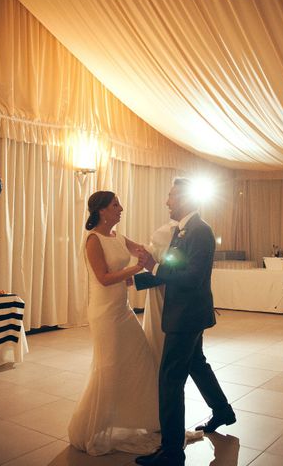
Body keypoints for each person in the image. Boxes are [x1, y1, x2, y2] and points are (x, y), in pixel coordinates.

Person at [135, 178, 235, 466]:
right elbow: (172, 269)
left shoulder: (200, 231)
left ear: (186, 200)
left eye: (171, 196)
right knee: (195, 364)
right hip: (189, 313)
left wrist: (152, 266)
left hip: (185, 315)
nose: (167, 201)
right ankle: (222, 411)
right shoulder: (184, 231)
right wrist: (135, 279)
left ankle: (171, 452)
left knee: (169, 380)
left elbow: (191, 277)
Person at [67, 191, 160, 456]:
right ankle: (93, 427)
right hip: (105, 313)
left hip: (123, 309)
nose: (121, 208)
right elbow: (104, 278)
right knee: (108, 367)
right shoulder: (93, 240)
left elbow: (141, 249)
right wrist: (134, 270)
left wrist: (157, 251)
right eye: (115, 205)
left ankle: (141, 417)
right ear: (101, 211)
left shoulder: (117, 236)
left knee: (141, 357)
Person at [142, 220, 178, 365]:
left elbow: (172, 273)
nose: (167, 202)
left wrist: (134, 278)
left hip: (172, 298)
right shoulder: (169, 230)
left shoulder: (169, 232)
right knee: (195, 360)